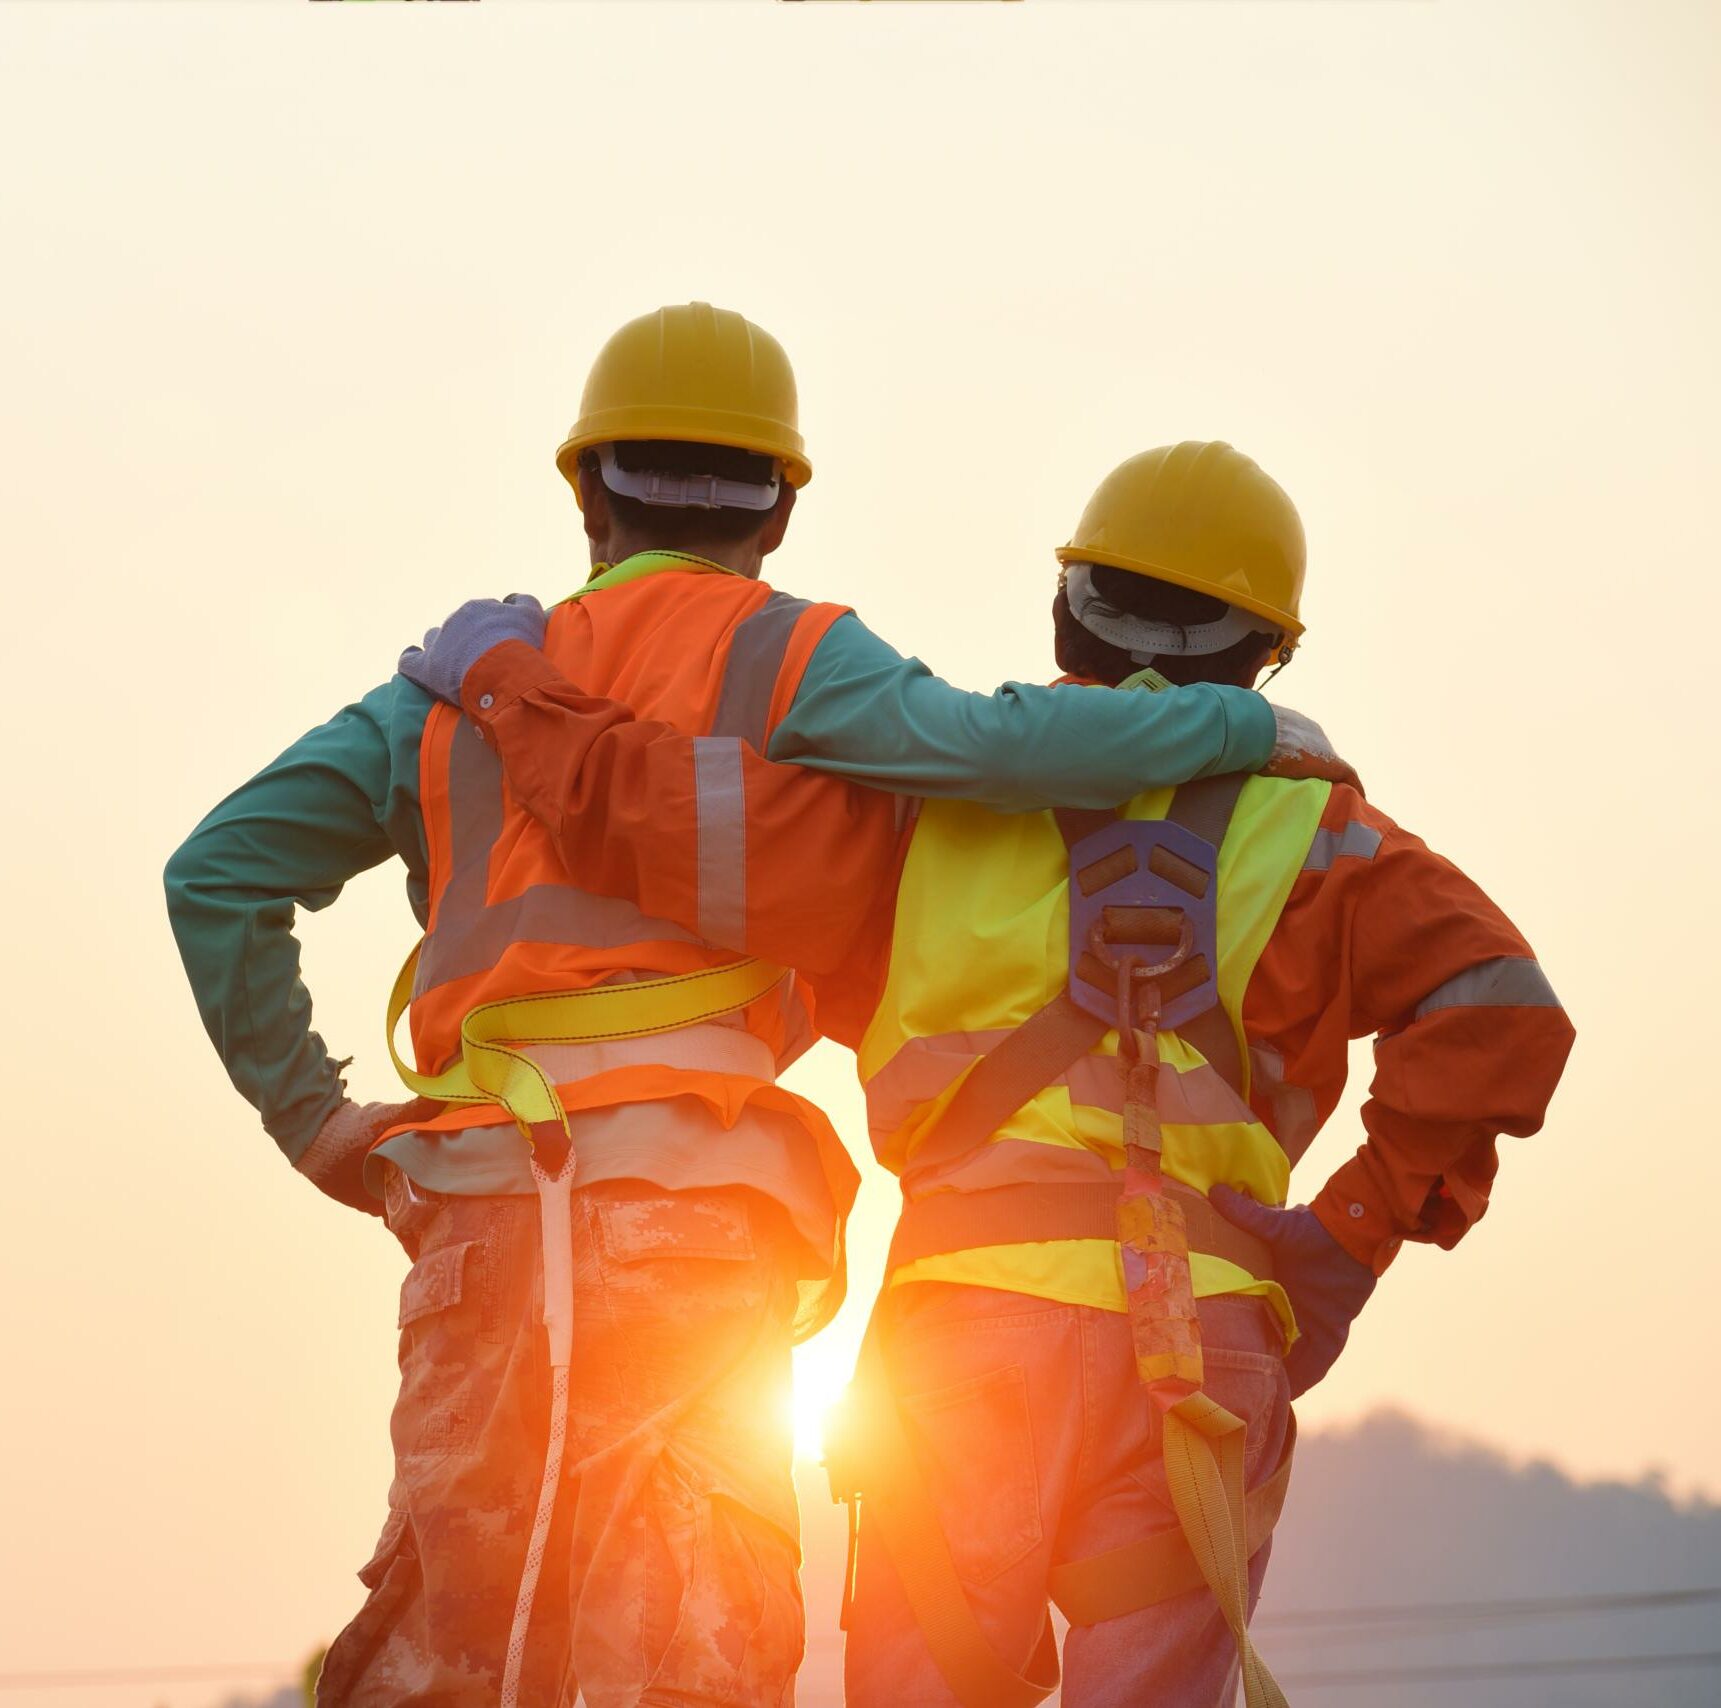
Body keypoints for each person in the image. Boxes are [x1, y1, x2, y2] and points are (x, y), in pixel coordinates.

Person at [165, 300, 1343, 1708]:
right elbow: (997, 746)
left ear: (586, 492)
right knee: (693, 1660)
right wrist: (1236, 723)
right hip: (694, 1227)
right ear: (778, 508)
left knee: (458, 1651)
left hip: (478, 1215)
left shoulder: (451, 696)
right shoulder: (795, 660)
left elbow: (217, 873)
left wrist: (316, 1121)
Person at [399, 438, 1575, 1708]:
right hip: (1199, 1359)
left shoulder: (918, 810)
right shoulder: (1330, 837)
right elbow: (1502, 1011)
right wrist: (1341, 1243)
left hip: (958, 1353)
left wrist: (509, 677)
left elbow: (647, 810)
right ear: (1262, 656)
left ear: (1067, 612)